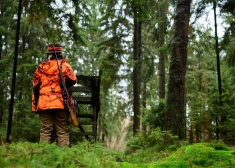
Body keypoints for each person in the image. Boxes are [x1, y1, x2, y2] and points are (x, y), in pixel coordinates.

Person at [32, 44, 77, 146]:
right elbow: (73, 80)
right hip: (60, 103)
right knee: (62, 130)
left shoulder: (40, 68)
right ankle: (64, 158)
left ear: (48, 55)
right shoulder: (65, 66)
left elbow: (35, 86)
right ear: (60, 54)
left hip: (44, 103)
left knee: (45, 130)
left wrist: (36, 104)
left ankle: (42, 155)